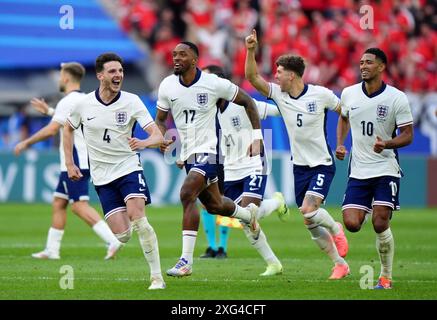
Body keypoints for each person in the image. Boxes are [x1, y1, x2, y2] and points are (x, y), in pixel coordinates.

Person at [245, 29, 350, 280]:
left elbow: (344, 113)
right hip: (299, 166)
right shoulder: (279, 95)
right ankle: (340, 264)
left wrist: (340, 143)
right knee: (310, 223)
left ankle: (336, 227)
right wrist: (250, 50)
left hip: (322, 163)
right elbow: (252, 77)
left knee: (307, 209)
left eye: (279, 72)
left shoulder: (321, 94)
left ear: (291, 75)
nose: (276, 75)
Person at [155, 42, 262, 277]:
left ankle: (186, 261)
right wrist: (162, 135)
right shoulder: (167, 85)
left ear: (194, 60)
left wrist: (257, 137)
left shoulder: (213, 83)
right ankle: (247, 215)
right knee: (214, 205)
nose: (176, 58)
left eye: (182, 54)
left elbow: (248, 102)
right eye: (174, 55)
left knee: (186, 194)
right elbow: (161, 119)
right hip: (189, 154)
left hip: (211, 151)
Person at [63, 53, 166, 290]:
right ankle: (128, 238)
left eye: (120, 71)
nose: (118, 75)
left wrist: (144, 143)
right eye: (112, 71)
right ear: (100, 76)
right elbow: (67, 130)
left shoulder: (132, 101)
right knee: (123, 236)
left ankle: (156, 278)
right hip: (101, 176)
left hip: (128, 168)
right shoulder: (83, 104)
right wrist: (70, 163)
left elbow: (157, 135)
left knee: (138, 217)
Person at [14, 62, 123, 261]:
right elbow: (68, 119)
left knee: (78, 205)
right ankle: (52, 250)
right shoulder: (86, 99)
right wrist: (49, 111)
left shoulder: (68, 101)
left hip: (75, 162)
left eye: (60, 75)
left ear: (65, 78)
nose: (58, 79)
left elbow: (52, 130)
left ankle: (112, 240)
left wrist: (26, 142)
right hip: (84, 160)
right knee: (59, 203)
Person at [336, 48, 414, 289]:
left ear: (381, 67)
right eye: (361, 62)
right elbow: (344, 117)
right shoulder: (349, 93)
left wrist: (387, 144)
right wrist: (340, 143)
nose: (363, 66)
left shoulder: (396, 97)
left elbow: (408, 135)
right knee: (352, 224)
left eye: (369, 62)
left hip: (386, 167)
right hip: (359, 169)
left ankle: (386, 277)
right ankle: (370, 206)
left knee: (380, 223)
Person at [203, 64, 289, 275]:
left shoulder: (241, 103)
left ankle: (272, 261)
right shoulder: (207, 111)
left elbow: (278, 111)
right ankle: (274, 263)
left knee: (250, 212)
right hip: (230, 169)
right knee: (244, 219)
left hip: (253, 163)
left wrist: (299, 108)